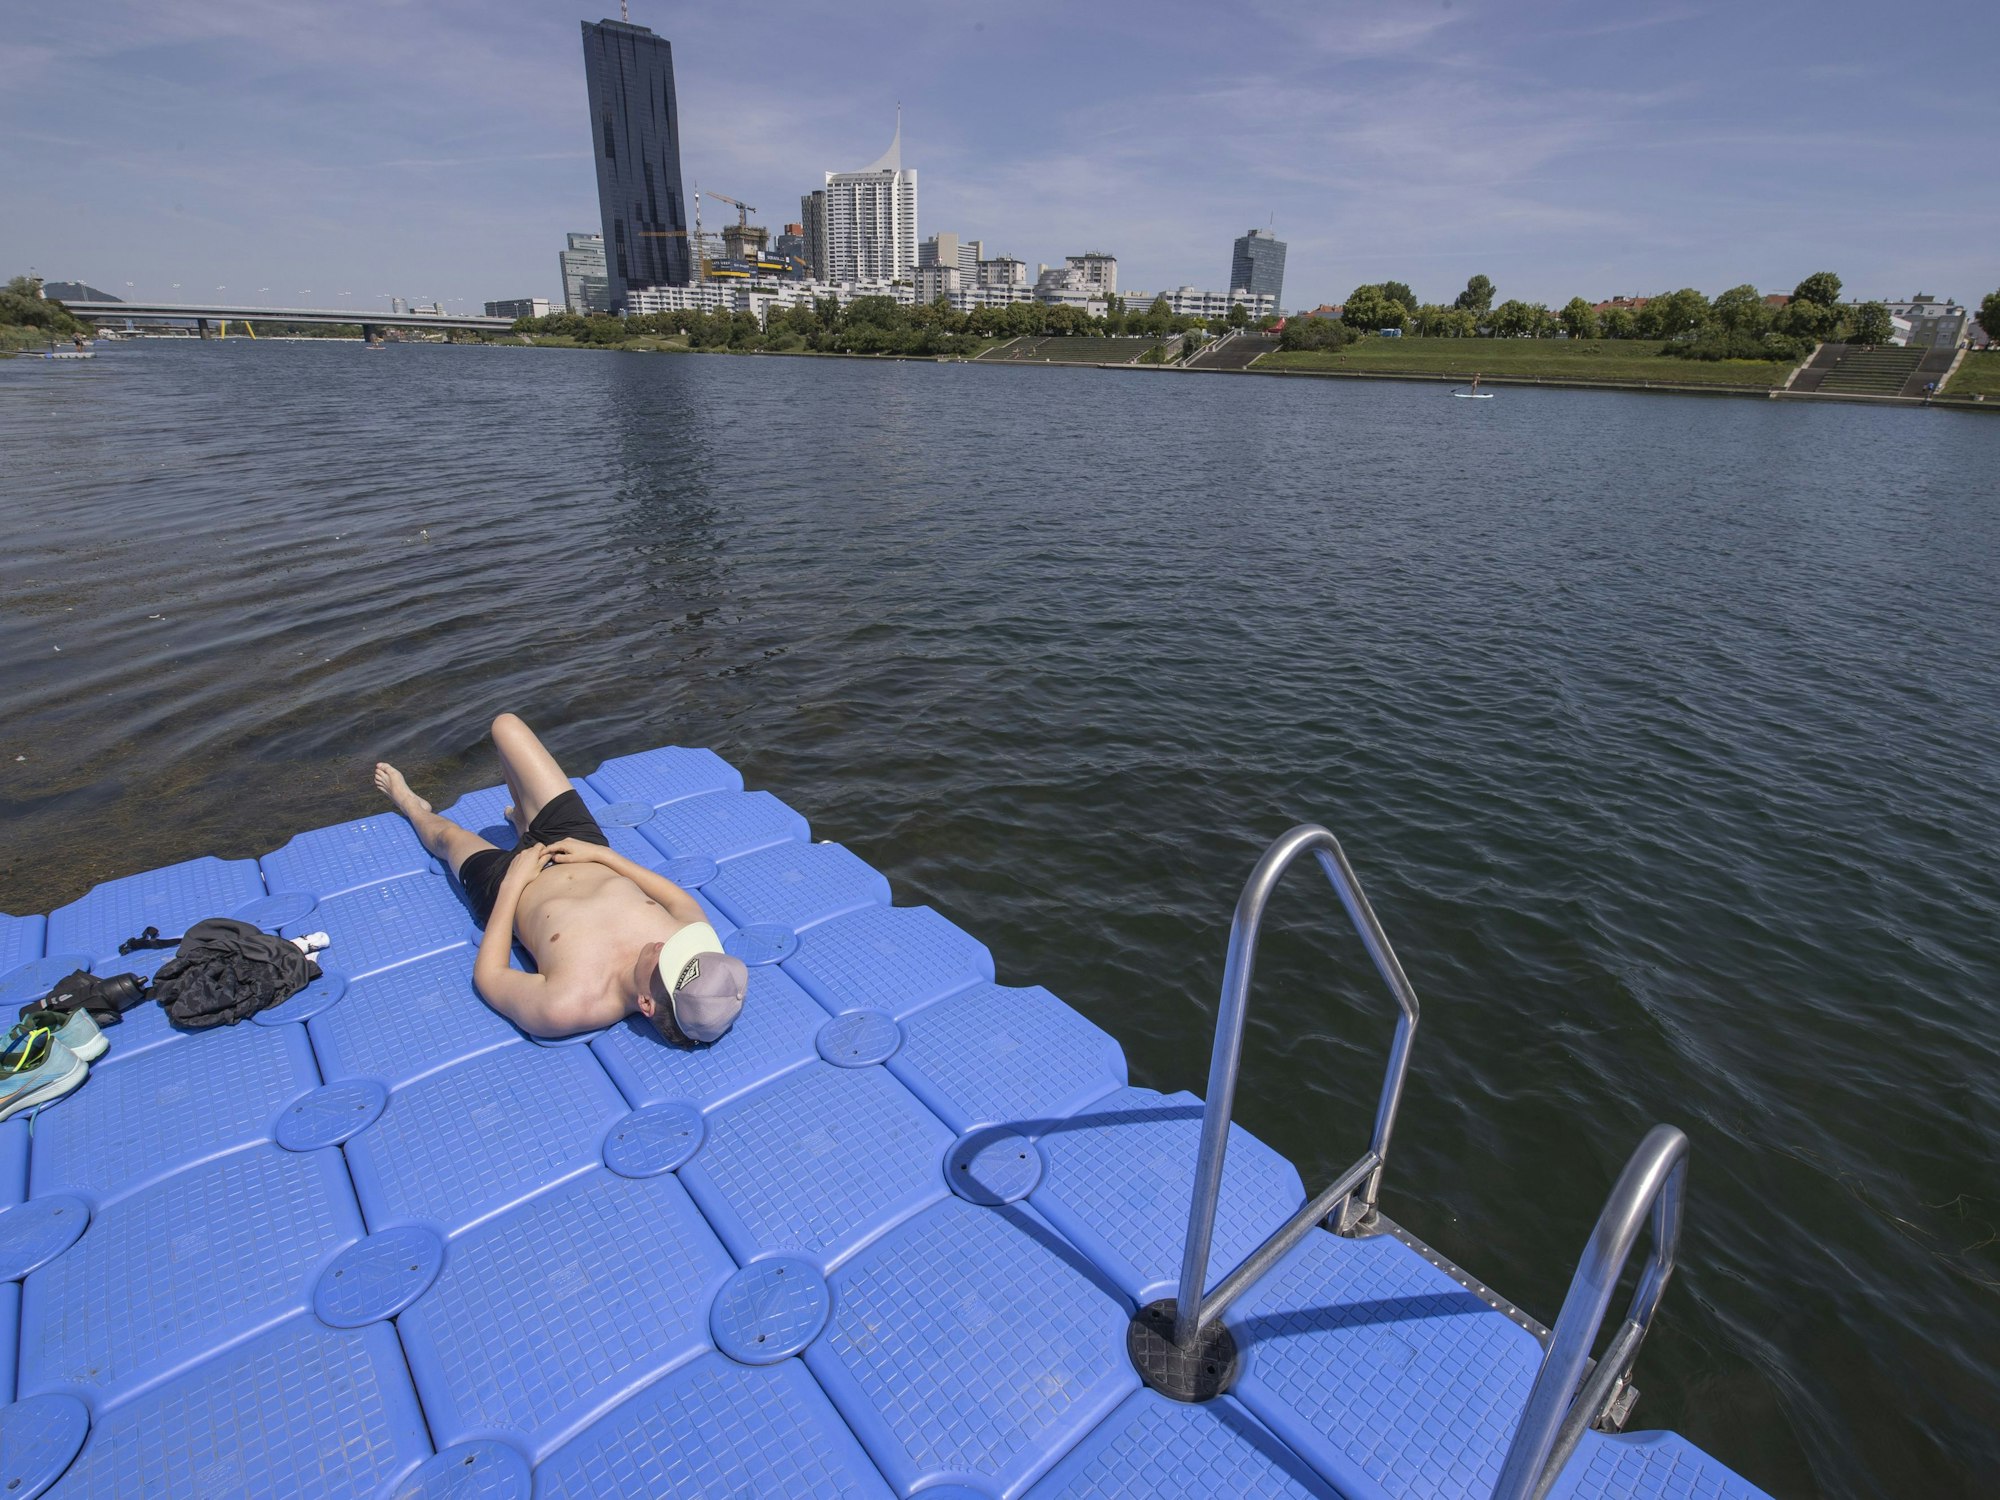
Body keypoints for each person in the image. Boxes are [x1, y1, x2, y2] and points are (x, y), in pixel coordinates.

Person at [374, 713, 746, 1045]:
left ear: (646, 1004)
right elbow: (680, 901)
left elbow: (490, 977)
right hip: (580, 848)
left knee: (446, 839)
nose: (669, 945)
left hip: (511, 886)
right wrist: (603, 855)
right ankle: (524, 818)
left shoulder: (568, 1005)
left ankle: (411, 805)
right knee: (506, 726)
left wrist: (511, 885)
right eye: (685, 950)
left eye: (670, 960)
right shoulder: (695, 943)